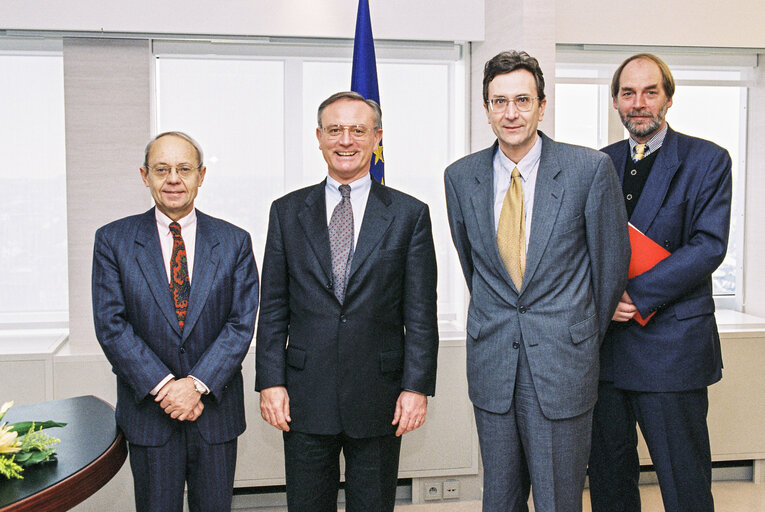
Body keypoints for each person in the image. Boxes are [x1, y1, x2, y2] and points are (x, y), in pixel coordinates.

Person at [444, 50, 630, 512]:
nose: (512, 112)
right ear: (485, 108)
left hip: (563, 366)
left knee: (558, 499)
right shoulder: (460, 177)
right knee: (499, 499)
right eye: (500, 101)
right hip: (492, 364)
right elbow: (477, 269)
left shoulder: (588, 171)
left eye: (523, 100)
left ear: (542, 105)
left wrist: (578, 335)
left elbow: (610, 270)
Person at [255, 91, 439, 512]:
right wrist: (270, 380)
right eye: (335, 130)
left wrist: (416, 387)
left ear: (377, 138)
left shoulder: (410, 214)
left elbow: (420, 313)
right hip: (303, 394)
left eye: (358, 130)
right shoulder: (285, 212)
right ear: (318, 137)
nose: (346, 140)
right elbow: (274, 306)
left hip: (380, 394)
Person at [588, 53, 732, 512]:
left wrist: (633, 295)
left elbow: (708, 245)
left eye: (650, 91)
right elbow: (579, 249)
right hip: (606, 351)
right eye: (628, 93)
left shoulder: (707, 160)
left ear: (668, 97)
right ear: (614, 101)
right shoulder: (597, 164)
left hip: (672, 349)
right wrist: (602, 301)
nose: (639, 103)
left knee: (683, 482)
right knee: (609, 481)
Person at [92, 131, 259, 512]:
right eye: (161, 169)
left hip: (214, 413)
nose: (173, 179)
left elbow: (240, 323)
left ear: (201, 176)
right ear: (144, 175)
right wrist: (168, 388)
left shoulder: (234, 241)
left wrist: (196, 386)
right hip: (151, 415)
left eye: (184, 169)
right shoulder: (113, 240)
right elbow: (111, 324)